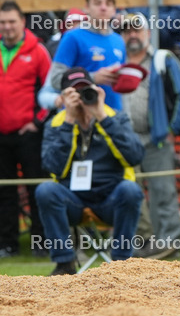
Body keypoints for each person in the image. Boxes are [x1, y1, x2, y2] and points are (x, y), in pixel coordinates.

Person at [36, 68, 145, 275]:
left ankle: (122, 264)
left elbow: (135, 156)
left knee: (130, 190)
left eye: (85, 91)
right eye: (73, 93)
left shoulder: (114, 117)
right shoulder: (56, 124)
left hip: (110, 197)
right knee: (46, 190)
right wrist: (69, 120)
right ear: (64, 97)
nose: (81, 98)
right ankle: (64, 263)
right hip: (72, 199)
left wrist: (101, 115)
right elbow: (53, 167)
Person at [118, 13, 180, 259]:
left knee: (163, 192)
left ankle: (169, 248)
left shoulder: (162, 59)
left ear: (148, 33)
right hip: (125, 141)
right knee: (130, 194)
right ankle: (140, 248)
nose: (132, 35)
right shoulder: (115, 62)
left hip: (156, 138)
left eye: (137, 30)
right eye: (127, 31)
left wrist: (171, 129)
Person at [0, 1, 51, 257]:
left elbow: (50, 90)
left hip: (29, 134)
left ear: (22, 22)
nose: (7, 27)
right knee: (4, 191)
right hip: (1, 135)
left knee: (37, 189)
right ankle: (7, 243)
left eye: (11, 21)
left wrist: (37, 122)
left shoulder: (38, 50)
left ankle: (40, 242)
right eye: (2, 22)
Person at [50, 0, 126, 112]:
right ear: (86, 7)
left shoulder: (119, 40)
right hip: (81, 116)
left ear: (114, 10)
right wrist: (92, 78)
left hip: (113, 117)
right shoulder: (73, 37)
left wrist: (126, 118)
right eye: (97, 3)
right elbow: (56, 79)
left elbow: (121, 90)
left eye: (108, 4)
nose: (103, 7)